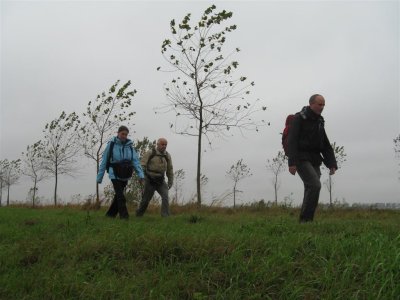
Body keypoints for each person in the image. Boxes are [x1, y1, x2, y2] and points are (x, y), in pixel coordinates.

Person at [287, 94, 338, 223]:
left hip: (315, 159)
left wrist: (332, 163)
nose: (322, 107)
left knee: (311, 189)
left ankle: (305, 221)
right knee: (315, 185)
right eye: (319, 104)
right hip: (301, 158)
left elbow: (325, 144)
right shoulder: (299, 118)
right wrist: (292, 162)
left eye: (324, 105)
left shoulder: (320, 121)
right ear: (311, 104)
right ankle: (305, 220)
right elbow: (291, 141)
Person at [97, 125, 144, 219]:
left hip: (125, 174)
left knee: (118, 197)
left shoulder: (130, 147)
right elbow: (104, 161)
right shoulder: (111, 145)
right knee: (121, 196)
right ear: (118, 133)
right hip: (114, 173)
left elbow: (135, 162)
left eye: (126, 134)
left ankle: (110, 215)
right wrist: (99, 177)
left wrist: (141, 175)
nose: (124, 136)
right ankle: (124, 217)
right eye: (122, 134)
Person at [136, 138, 173, 217]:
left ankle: (165, 216)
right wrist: (141, 177)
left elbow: (170, 169)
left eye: (165, 145)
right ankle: (139, 214)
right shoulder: (150, 153)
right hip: (149, 179)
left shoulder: (167, 156)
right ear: (158, 144)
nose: (164, 146)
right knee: (146, 199)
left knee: (165, 196)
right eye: (162, 144)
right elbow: (142, 165)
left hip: (160, 180)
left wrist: (170, 181)